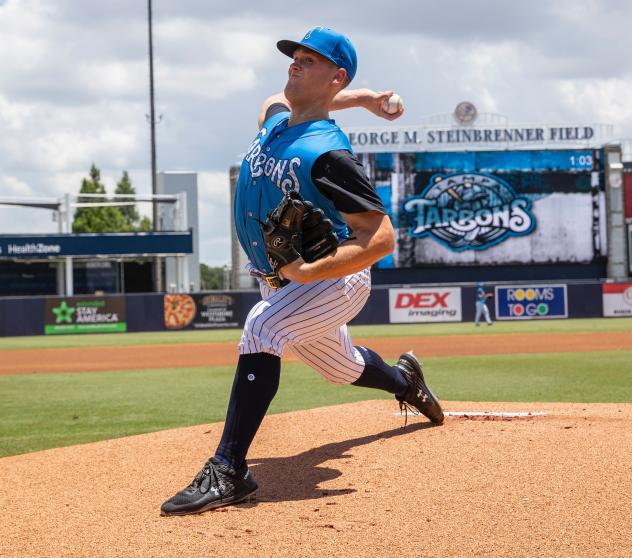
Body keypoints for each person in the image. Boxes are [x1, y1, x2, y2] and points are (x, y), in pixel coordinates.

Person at [160, 26, 444, 517]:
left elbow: (380, 238)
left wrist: (312, 272)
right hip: (292, 280)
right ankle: (405, 382)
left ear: (333, 76)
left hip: (335, 280)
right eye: (294, 56)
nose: (294, 63)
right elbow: (274, 96)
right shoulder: (276, 124)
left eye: (309, 61)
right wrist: (366, 98)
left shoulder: (327, 153)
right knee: (343, 368)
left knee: (262, 328)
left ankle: (229, 470)